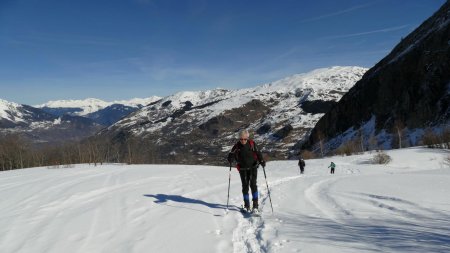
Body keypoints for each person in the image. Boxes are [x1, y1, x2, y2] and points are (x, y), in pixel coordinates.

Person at [227, 129, 266, 213]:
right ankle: (246, 205)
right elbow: (231, 155)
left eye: (245, 139)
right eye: (241, 139)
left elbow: (258, 153)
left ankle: (255, 206)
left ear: (247, 138)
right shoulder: (236, 146)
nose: (243, 141)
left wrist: (262, 161)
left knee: (253, 185)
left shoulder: (252, 144)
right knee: (245, 187)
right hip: (242, 169)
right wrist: (230, 158)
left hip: (253, 168)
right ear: (239, 139)